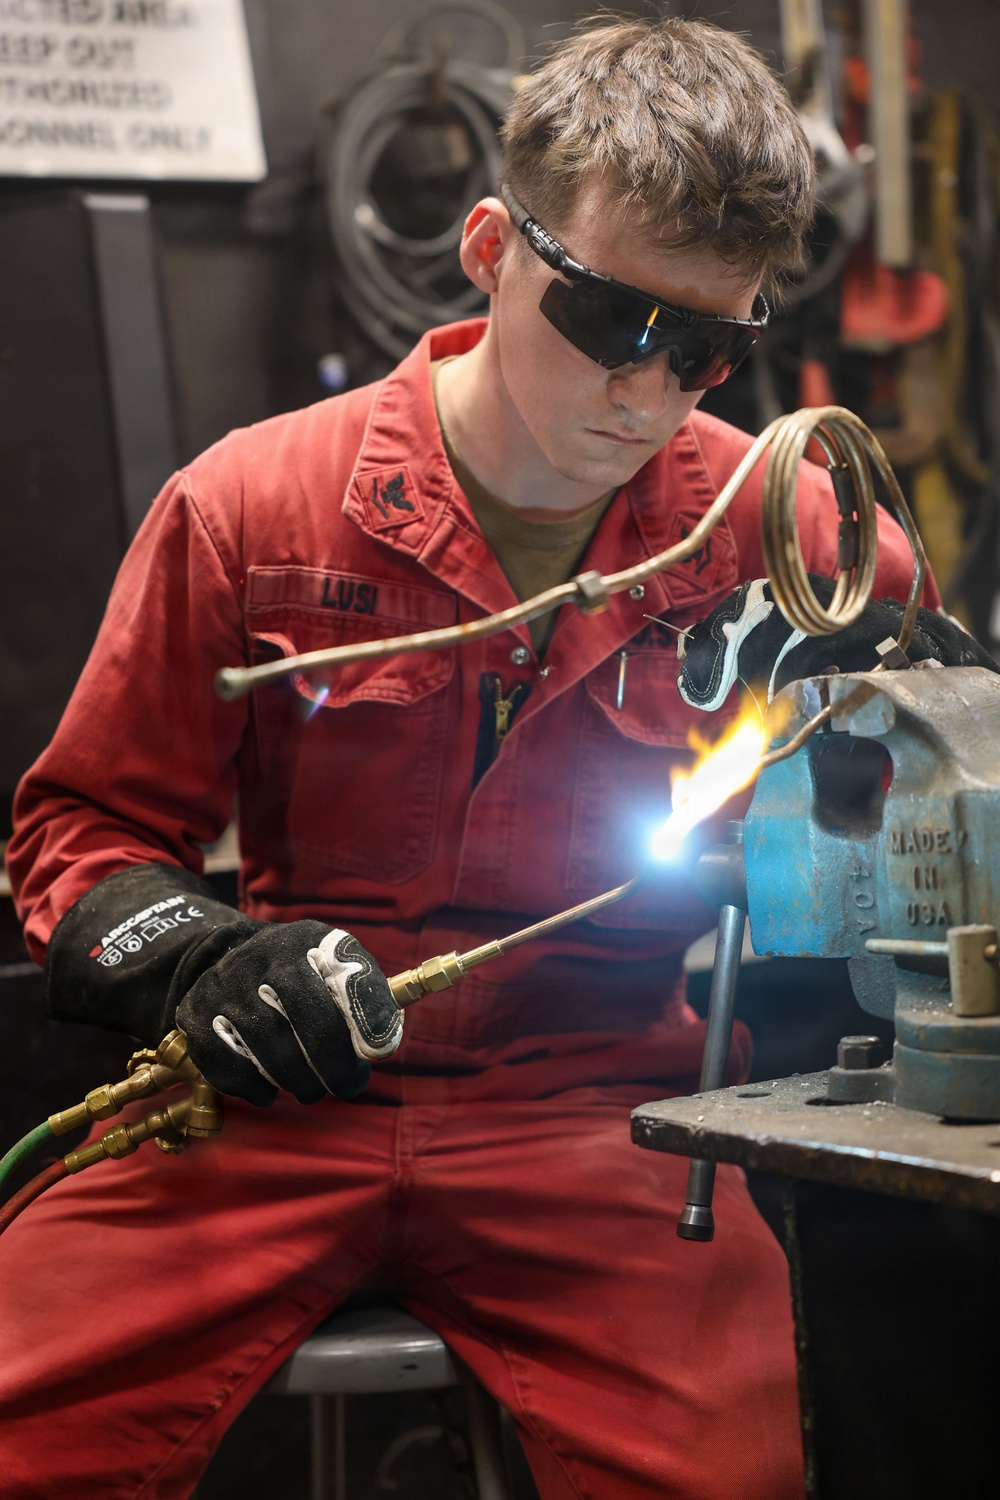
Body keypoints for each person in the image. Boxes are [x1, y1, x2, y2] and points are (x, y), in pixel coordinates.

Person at [1, 17, 946, 1500]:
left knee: (752, 1466)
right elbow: (84, 824)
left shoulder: (804, 534)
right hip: (270, 1105)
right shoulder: (257, 504)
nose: (647, 395)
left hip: (608, 1121)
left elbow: (944, 799)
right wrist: (198, 962)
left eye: (705, 350)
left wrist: (888, 767)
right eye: (614, 323)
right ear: (494, 247)